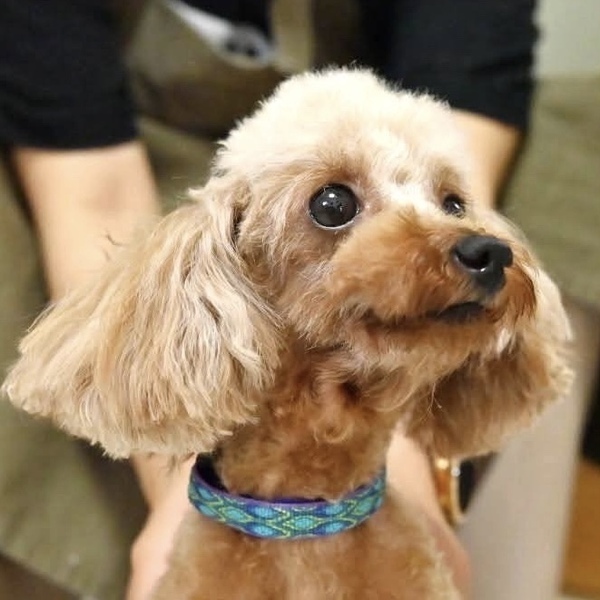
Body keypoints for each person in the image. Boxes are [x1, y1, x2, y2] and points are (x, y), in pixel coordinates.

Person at [0, 1, 537, 598]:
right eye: (335, 207)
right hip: (128, 157)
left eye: (449, 204)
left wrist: (407, 461)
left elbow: (468, 98)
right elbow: (94, 196)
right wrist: (174, 506)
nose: (463, 237)